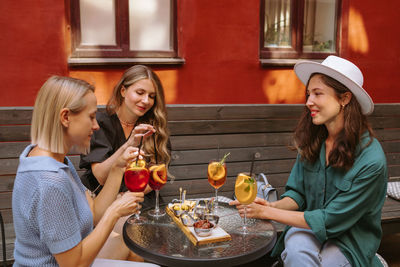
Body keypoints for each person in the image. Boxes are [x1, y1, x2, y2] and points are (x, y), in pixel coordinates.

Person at [230, 56, 388, 267]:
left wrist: (267, 212)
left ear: (344, 99)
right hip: (306, 229)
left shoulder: (371, 160)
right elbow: (298, 194)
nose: (308, 102)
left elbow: (330, 221)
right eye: (308, 94)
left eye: (318, 94)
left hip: (350, 239)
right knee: (296, 253)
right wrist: (271, 205)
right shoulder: (314, 140)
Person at [12, 76, 158, 266]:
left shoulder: (53, 160)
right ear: (65, 117)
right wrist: (115, 211)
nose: (96, 125)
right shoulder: (50, 181)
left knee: (130, 245)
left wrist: (118, 167)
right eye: (91, 117)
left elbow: (93, 212)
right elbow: (74, 264)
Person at [80, 65, 170, 209]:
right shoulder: (99, 124)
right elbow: (101, 177)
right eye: (140, 93)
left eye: (152, 96)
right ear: (123, 90)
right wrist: (129, 144)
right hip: (103, 202)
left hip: (141, 199)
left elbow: (158, 175)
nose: (146, 100)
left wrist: (130, 194)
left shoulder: (153, 127)